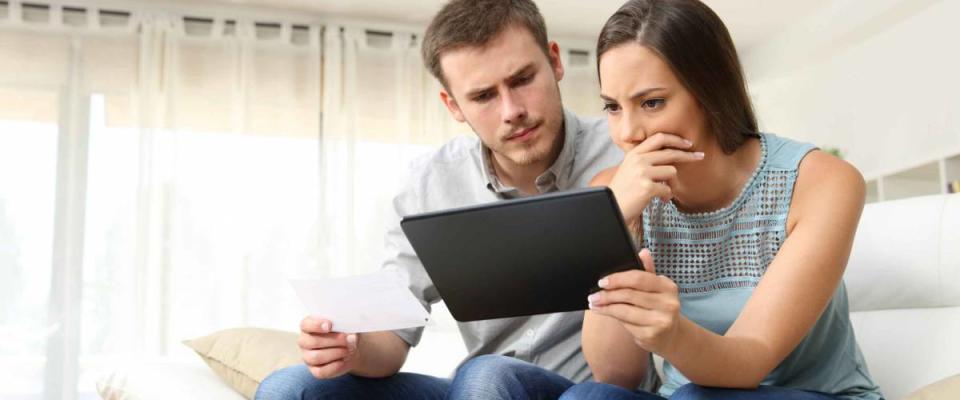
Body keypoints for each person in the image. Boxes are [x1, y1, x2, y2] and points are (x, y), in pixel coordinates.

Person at [255, 0, 653, 399]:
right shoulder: (431, 185)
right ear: (453, 105)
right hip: (480, 391)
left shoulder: (627, 152)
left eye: (522, 80)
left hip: (578, 390)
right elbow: (391, 339)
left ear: (555, 62)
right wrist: (351, 347)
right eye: (483, 96)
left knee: (487, 374)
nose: (512, 111)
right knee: (287, 387)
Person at [559, 0, 884, 399]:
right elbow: (614, 374)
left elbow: (750, 361)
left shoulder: (821, 182)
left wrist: (673, 334)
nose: (628, 133)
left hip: (809, 394)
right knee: (584, 397)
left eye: (652, 103)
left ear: (710, 93)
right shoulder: (614, 192)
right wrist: (615, 223)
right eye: (612, 107)